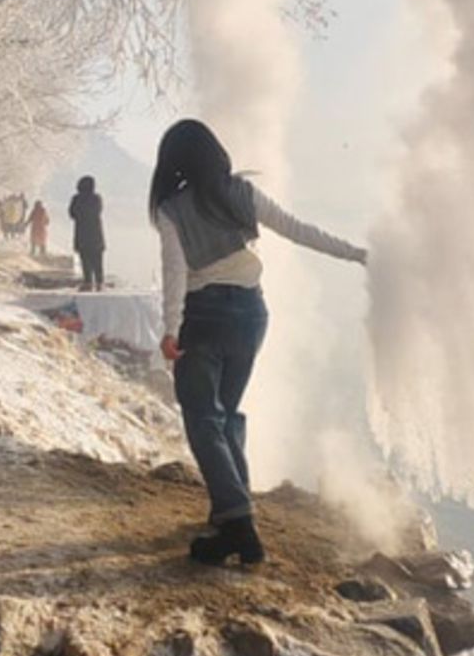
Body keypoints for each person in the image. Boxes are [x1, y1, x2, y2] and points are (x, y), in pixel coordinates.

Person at [151, 119, 366, 567]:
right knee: (227, 413)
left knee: (202, 418)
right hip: (251, 315)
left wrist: (170, 331)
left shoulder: (172, 210)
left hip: (203, 317)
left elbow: (175, 273)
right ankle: (230, 511)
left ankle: (238, 527)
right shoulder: (241, 193)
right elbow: (298, 229)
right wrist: (358, 254)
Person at [69, 176, 105, 292]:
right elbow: (98, 211)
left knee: (85, 259)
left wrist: (81, 216)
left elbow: (72, 213)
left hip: (82, 233)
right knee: (97, 260)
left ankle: (88, 282)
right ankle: (99, 283)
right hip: (96, 233)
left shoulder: (76, 198)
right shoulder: (96, 198)